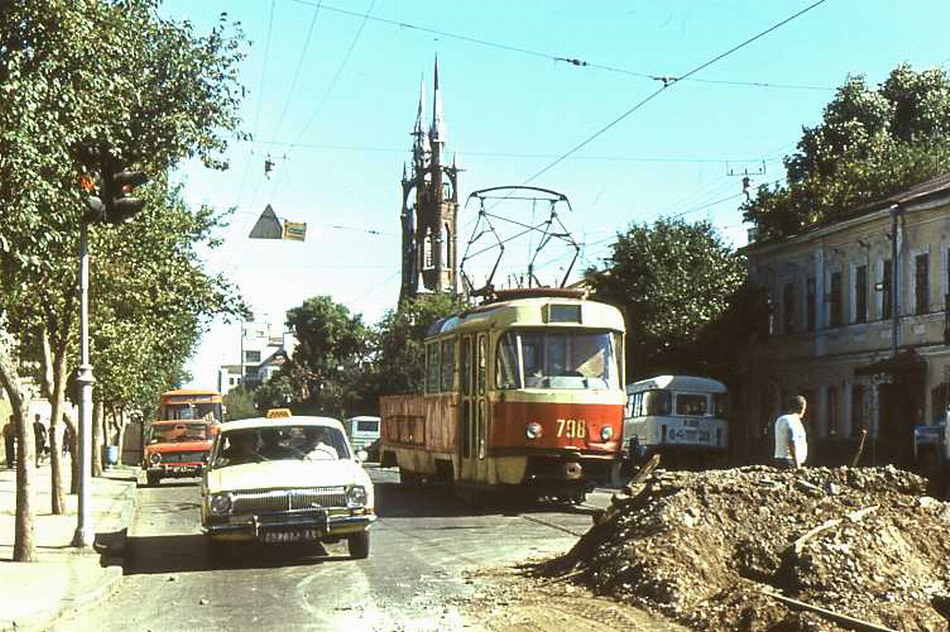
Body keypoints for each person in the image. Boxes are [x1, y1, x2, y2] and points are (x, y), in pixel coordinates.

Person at [773, 395, 808, 469]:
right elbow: (792, 441)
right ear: (802, 408)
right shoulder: (793, 421)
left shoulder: (780, 419)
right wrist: (797, 465)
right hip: (790, 461)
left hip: (779, 459)